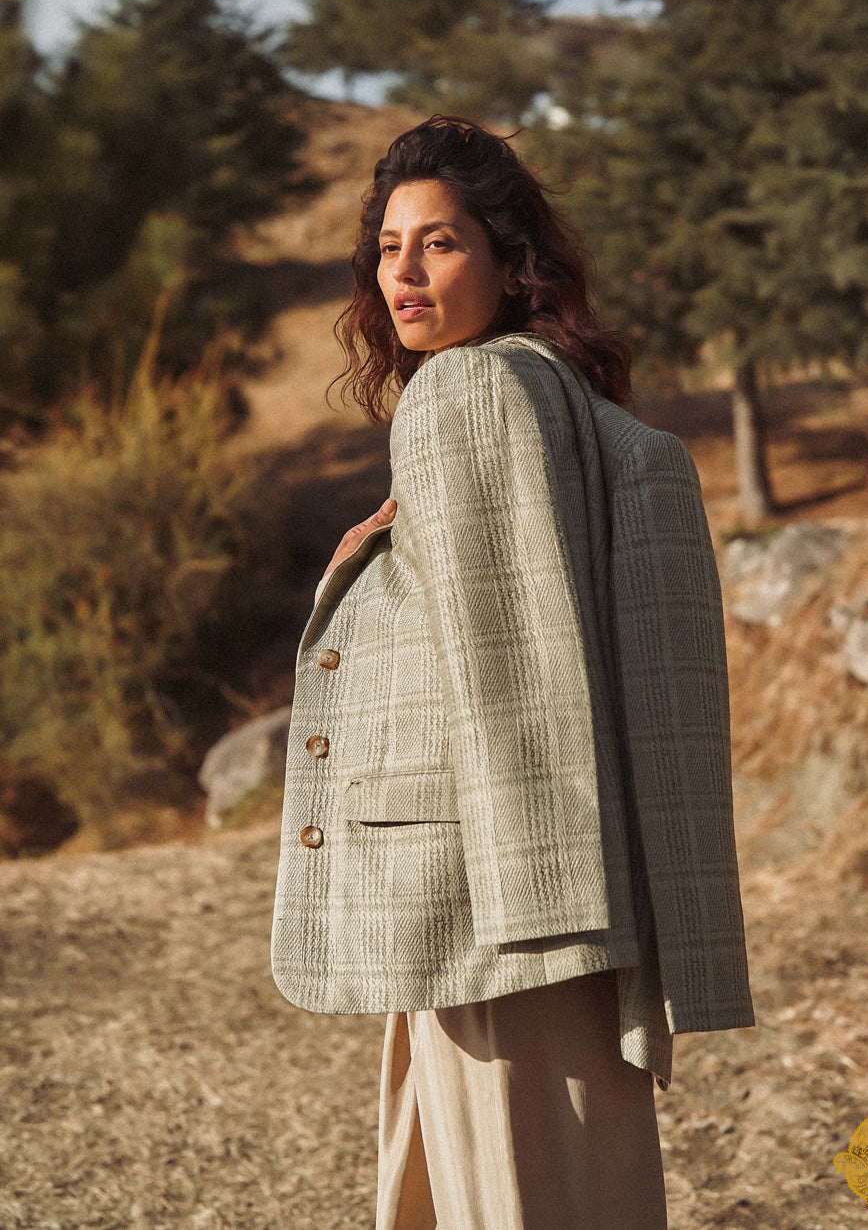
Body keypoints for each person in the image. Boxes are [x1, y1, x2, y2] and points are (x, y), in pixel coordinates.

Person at [271, 116, 754, 1230]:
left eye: (438, 243)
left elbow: (518, 673)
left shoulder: (467, 392)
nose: (403, 272)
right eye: (388, 248)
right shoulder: (566, 397)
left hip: (497, 915)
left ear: (508, 260)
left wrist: (538, 932)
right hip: (530, 895)